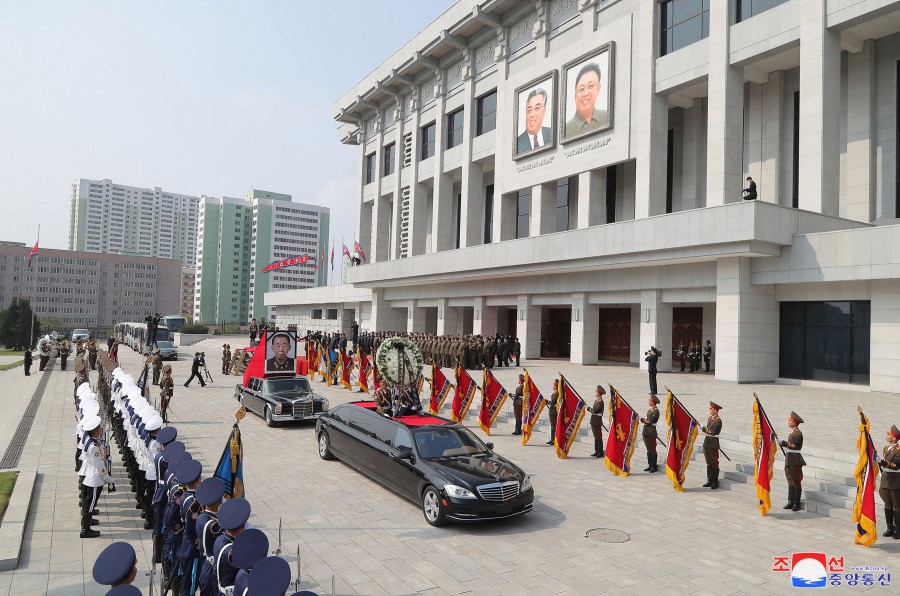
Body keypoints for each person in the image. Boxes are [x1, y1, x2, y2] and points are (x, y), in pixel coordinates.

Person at [80, 414, 114, 538]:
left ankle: (87, 522)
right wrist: (107, 478)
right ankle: (85, 530)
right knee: (90, 504)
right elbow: (99, 466)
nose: (101, 429)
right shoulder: (93, 446)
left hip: (93, 476)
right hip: (94, 479)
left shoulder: (95, 441)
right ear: (95, 430)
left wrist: (107, 456)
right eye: (99, 428)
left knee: (90, 503)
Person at [565, 62, 609, 137]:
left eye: (590, 86)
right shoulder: (567, 130)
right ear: (575, 96)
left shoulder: (607, 117)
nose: (586, 93)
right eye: (581, 89)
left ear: (598, 89)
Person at [877, 425, 900, 539]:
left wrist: (882, 462)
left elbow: (896, 465)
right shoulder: (886, 448)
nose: (887, 436)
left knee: (897, 505)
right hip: (885, 480)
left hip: (895, 481)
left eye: (889, 435)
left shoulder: (898, 450)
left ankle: (898, 530)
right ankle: (890, 527)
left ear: (894, 438)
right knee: (887, 504)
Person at [780, 411, 806, 512]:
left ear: (794, 423)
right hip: (789, 459)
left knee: (796, 481)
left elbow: (793, 446)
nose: (788, 421)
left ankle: (796, 503)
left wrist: (782, 442)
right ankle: (790, 501)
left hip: (795, 460)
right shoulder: (793, 432)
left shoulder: (798, 434)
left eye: (790, 420)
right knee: (790, 480)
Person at [517, 87, 552, 153]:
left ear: (544, 110)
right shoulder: (518, 144)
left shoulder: (551, 133)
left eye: (537, 108)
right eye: (529, 110)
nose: (532, 114)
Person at [701, 402, 723, 489]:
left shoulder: (718, 421)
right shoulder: (710, 418)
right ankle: (709, 480)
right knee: (708, 462)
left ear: (715, 410)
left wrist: (703, 428)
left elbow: (713, 432)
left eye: (711, 409)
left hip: (713, 444)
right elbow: (708, 430)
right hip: (707, 442)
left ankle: (715, 482)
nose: (709, 410)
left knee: (714, 462)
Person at [640, 394, 660, 473]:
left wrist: (641, 419)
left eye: (649, 400)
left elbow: (649, 421)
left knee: (653, 449)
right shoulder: (650, 410)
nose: (648, 401)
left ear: (652, 402)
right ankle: (650, 465)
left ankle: (654, 466)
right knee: (648, 449)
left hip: (651, 432)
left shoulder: (656, 412)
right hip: (646, 432)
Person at [587, 385, 605, 458]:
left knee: (599, 436)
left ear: (598, 393)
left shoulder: (601, 402)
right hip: (594, 420)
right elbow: (594, 410)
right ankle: (596, 451)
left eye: (596, 391)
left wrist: (589, 409)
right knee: (595, 436)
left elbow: (595, 411)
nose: (595, 392)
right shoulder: (596, 401)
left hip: (597, 421)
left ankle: (600, 452)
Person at [546, 379, 559, 445]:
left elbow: (553, 402)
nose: (553, 385)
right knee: (552, 426)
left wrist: (547, 401)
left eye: (554, 384)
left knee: (554, 426)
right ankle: (552, 439)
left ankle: (554, 439)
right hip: (552, 411)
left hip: (554, 411)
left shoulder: (557, 393)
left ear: (556, 386)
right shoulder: (555, 393)